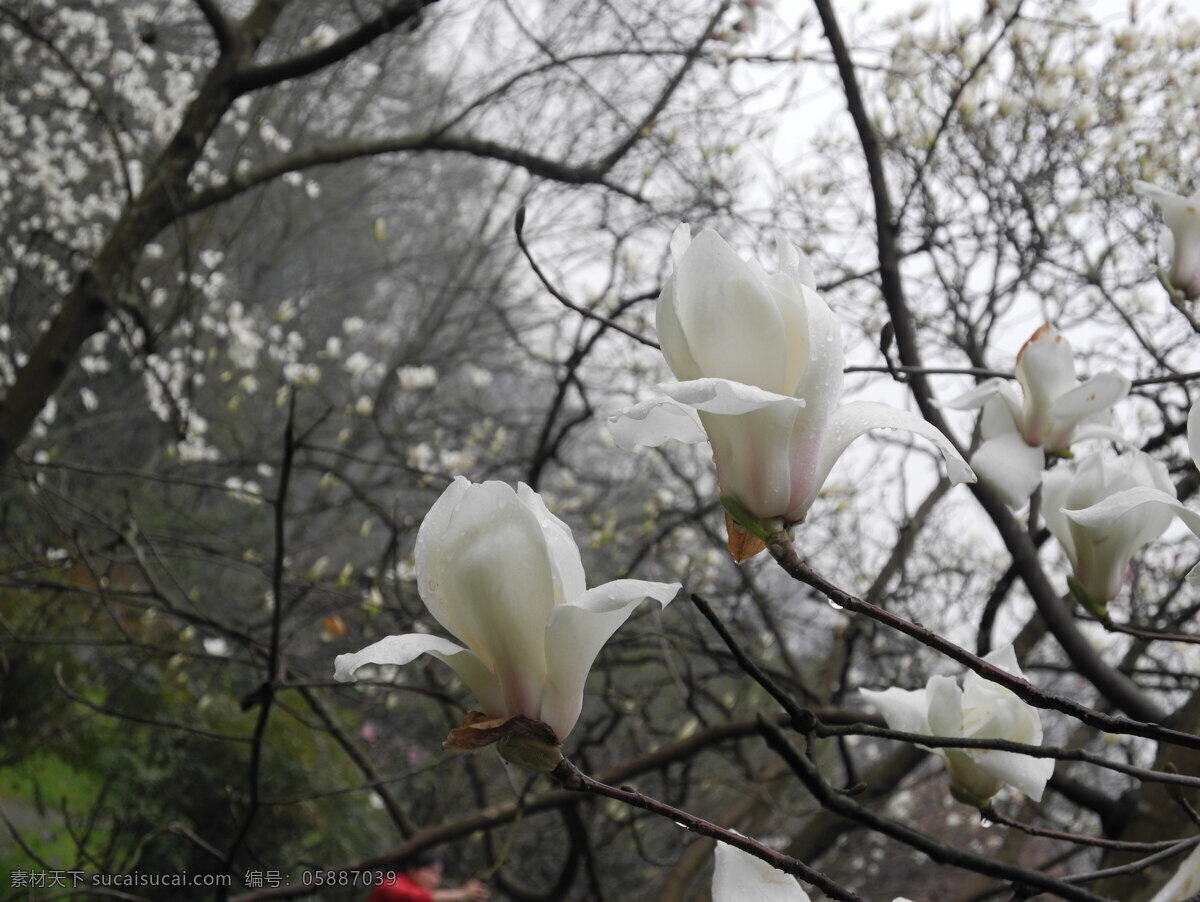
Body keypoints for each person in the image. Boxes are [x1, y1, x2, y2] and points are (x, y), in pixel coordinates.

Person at [366, 851, 487, 902]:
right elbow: (414, 896)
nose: (435, 879)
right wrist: (461, 894)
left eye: (438, 874)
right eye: (431, 872)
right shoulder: (390, 883)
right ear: (412, 870)